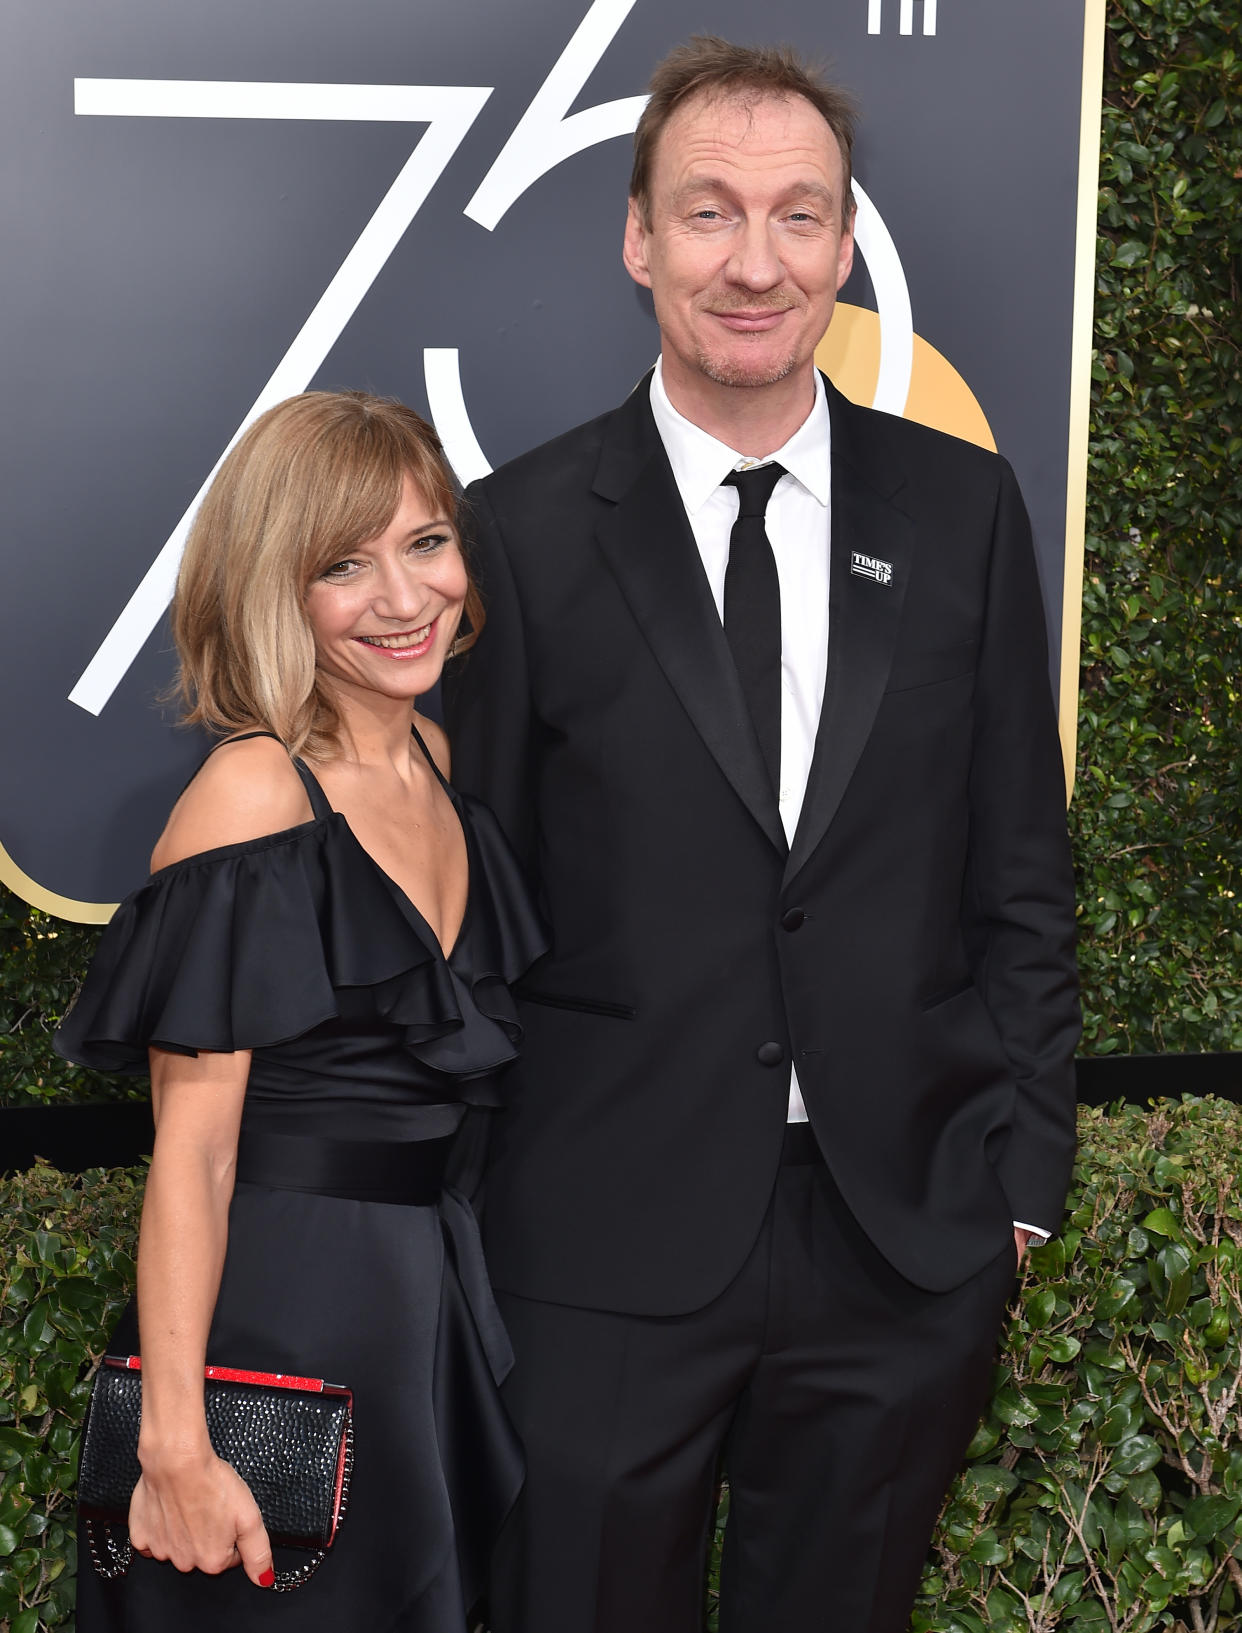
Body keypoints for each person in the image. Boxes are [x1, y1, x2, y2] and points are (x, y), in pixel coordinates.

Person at [443, 35, 1081, 1633]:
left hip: (899, 1236)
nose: (754, 260)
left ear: (845, 243)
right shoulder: (515, 533)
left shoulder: (958, 511)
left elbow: (1017, 866)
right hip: (596, 1239)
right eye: (709, 211)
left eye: (797, 215)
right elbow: (476, 899)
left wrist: (1019, 1175)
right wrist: (486, 1198)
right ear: (638, 238)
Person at [56, 390, 545, 1632]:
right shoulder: (253, 791)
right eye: (345, 564)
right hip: (278, 1326)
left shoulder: (437, 761)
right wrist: (175, 1437)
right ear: (279, 590)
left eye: (425, 542)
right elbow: (196, 1152)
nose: (403, 596)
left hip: (417, 1316)